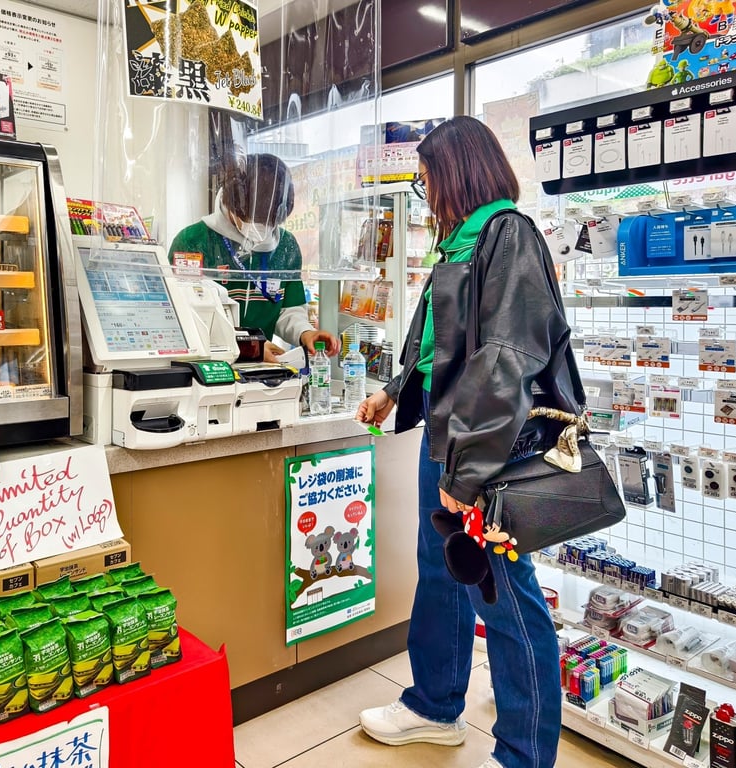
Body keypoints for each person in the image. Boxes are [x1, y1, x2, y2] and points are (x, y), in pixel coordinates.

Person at [355, 116, 583, 768]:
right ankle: (434, 705)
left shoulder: (508, 235)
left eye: (429, 180)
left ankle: (523, 753)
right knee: (442, 572)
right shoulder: (459, 243)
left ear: (457, 173)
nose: (426, 195)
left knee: (505, 594)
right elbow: (435, 342)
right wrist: (397, 390)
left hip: (491, 451)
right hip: (449, 440)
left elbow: (509, 359)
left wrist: (468, 473)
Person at [169, 153, 340, 362]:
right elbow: (187, 318)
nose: (259, 231)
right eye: (249, 220)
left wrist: (305, 333)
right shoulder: (193, 241)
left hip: (262, 370)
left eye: (268, 223)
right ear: (230, 203)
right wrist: (250, 347)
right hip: (207, 367)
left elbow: (288, 310)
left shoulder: (286, 246)